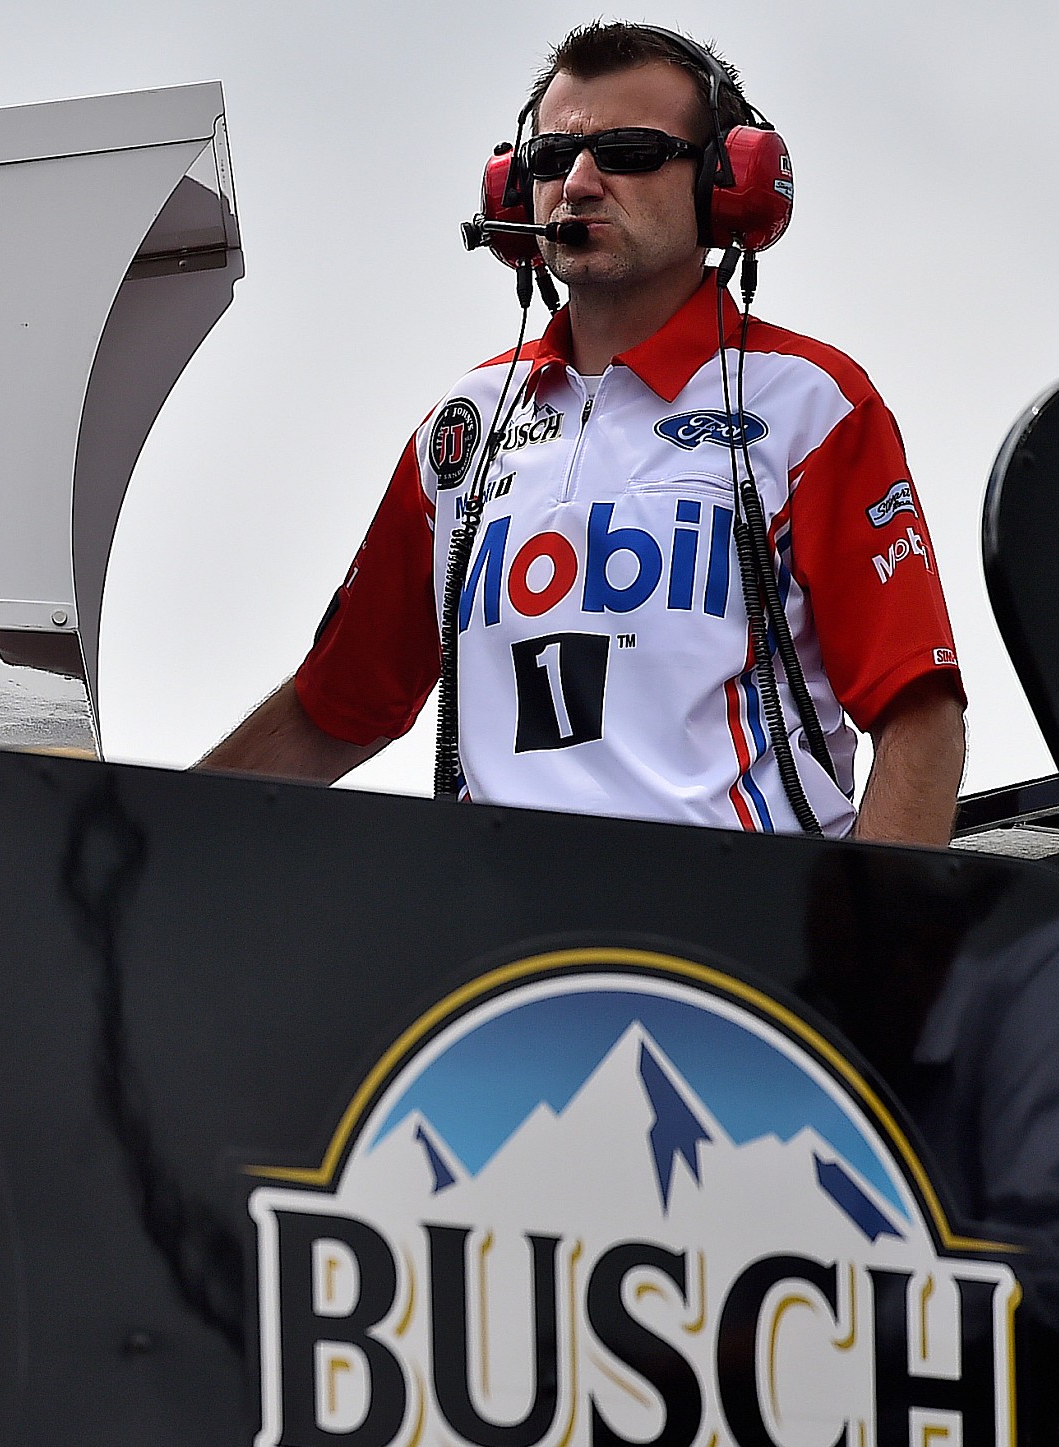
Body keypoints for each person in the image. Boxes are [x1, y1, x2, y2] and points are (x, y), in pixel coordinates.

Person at [199, 22, 967, 845]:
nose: (580, 183)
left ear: (726, 182)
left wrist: (874, 959)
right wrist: (133, 842)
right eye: (550, 161)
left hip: (738, 948)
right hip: (506, 952)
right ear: (511, 193)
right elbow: (336, 708)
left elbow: (920, 718)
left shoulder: (814, 404)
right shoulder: (464, 423)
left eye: (629, 151)